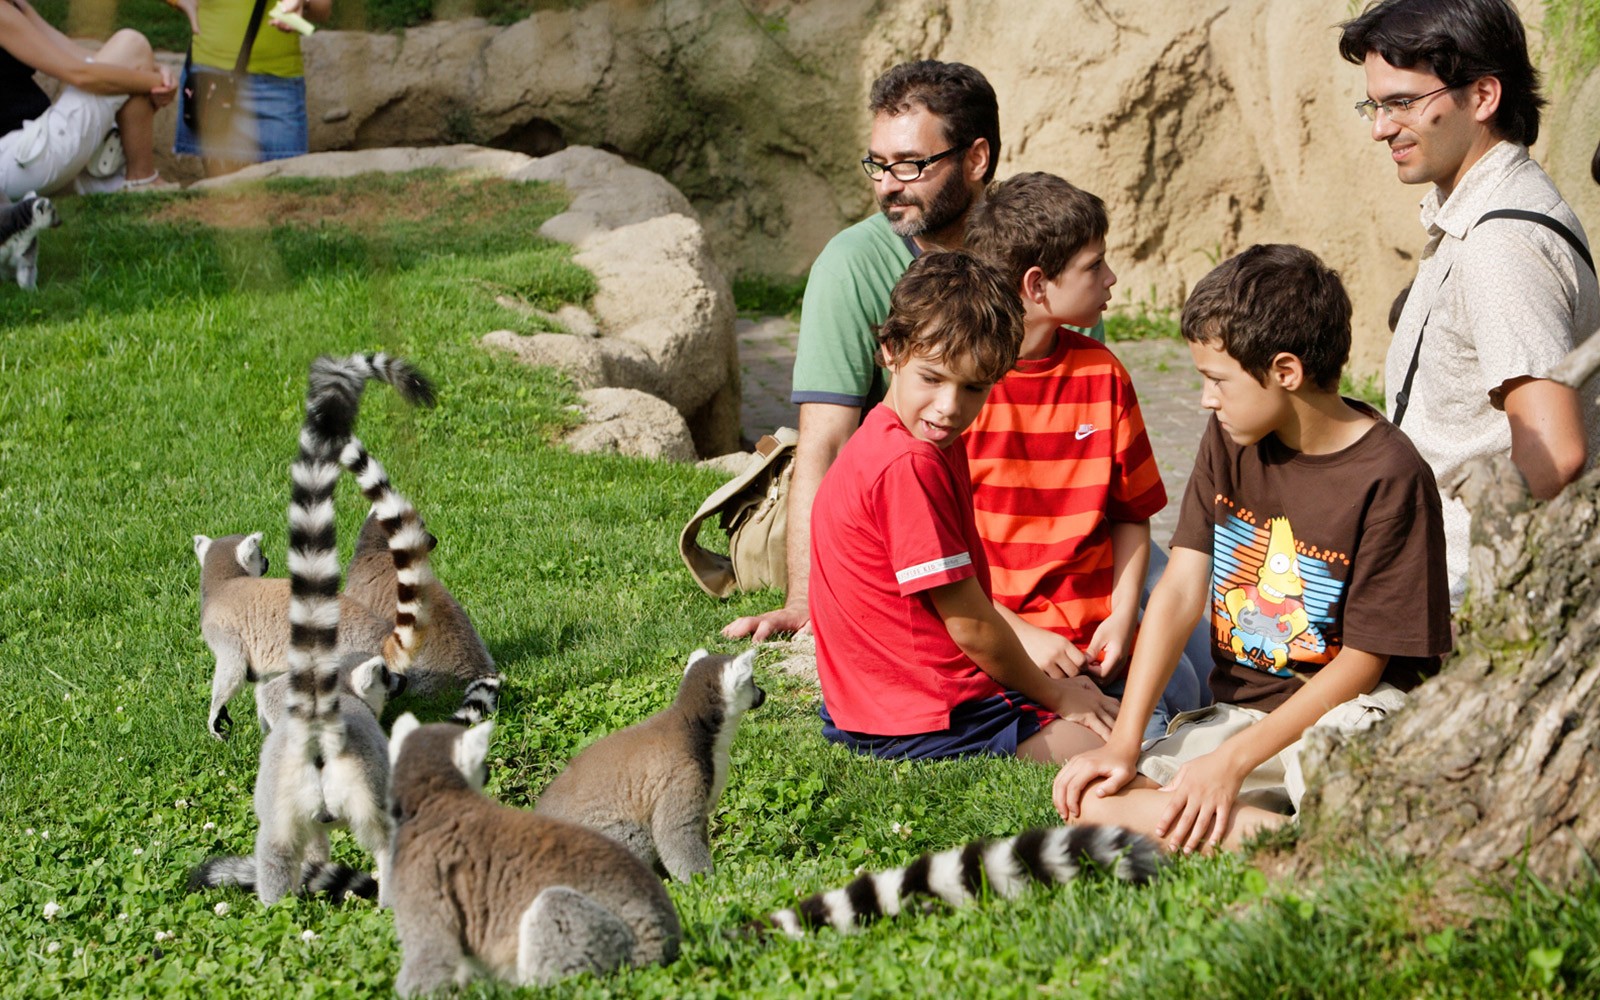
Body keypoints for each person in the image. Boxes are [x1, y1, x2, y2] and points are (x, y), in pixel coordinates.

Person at [1053, 244, 1452, 853]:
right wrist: (1124, 742)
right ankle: (1295, 844)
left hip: (1352, 712)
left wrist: (1233, 763)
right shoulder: (1231, 435)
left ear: (1285, 371)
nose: (1205, 400)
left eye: (1217, 380)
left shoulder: (1390, 474)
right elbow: (1182, 588)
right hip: (1245, 711)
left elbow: (1363, 665)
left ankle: (1301, 836)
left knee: (1335, 788)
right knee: (1089, 801)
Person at [723, 59, 1103, 643]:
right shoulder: (851, 265)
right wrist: (806, 600)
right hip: (924, 535)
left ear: (976, 159)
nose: (886, 184)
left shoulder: (1046, 249)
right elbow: (825, 440)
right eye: (878, 164)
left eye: (910, 164)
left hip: (1042, 537)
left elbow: (1087, 431)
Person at [810, 250, 1121, 763]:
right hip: (917, 716)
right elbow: (971, 626)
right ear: (891, 351)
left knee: (1104, 706)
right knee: (1112, 738)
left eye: (974, 387)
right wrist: (1055, 695)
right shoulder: (907, 462)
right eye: (932, 378)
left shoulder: (901, 437)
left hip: (879, 701)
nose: (950, 407)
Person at [1340, 0, 1600, 608]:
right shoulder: (1484, 218)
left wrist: (1466, 600)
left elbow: (1554, 453)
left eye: (1402, 102)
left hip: (1467, 603)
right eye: (1375, 105)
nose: (1380, 127)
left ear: (1483, 97)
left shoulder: (1500, 246)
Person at [962, 171, 1208, 738]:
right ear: (1037, 285)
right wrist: (1021, 636)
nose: (1111, 277)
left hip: (1098, 633)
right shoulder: (961, 393)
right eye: (1094, 265)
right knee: (1155, 737)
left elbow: (1130, 514)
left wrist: (1123, 619)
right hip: (1006, 642)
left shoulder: (1103, 373)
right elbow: (942, 558)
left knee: (1192, 685)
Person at [0, 0, 175, 200]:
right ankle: (142, 179)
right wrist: (154, 81)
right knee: (132, 43)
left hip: (26, 157)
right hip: (17, 160)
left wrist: (154, 68)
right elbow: (79, 74)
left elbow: (78, 56)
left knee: (130, 59)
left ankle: (132, 181)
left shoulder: (16, 6)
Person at [169, 0, 329, 175]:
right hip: (212, 77)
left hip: (276, 85)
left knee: (285, 190)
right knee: (222, 194)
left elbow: (323, 10)